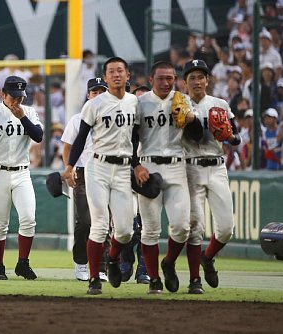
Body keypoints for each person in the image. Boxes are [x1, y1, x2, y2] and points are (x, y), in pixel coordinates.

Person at [62, 57, 138, 295]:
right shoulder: (94, 105)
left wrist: (137, 165)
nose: (116, 75)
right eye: (111, 72)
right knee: (99, 224)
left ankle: (113, 259)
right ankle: (94, 278)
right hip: (98, 167)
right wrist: (70, 166)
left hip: (124, 168)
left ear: (128, 76)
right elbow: (81, 137)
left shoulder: (135, 102)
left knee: (126, 230)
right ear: (106, 77)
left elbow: (136, 138)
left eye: (120, 71)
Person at [132, 61, 201, 294]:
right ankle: (153, 279)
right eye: (161, 78)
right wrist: (135, 164)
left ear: (175, 79)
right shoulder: (139, 103)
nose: (166, 82)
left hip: (176, 165)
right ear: (151, 79)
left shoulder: (182, 100)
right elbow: (131, 139)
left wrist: (192, 119)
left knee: (182, 227)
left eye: (170, 78)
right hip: (148, 166)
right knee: (150, 229)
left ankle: (168, 262)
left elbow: (197, 136)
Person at [182, 59, 241, 294]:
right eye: (192, 77)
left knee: (226, 229)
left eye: (201, 77)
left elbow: (236, 136)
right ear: (185, 82)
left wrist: (231, 137)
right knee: (195, 227)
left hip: (217, 167)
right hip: (191, 167)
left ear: (208, 80)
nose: (197, 81)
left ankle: (208, 257)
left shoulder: (220, 103)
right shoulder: (179, 103)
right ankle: (194, 280)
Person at [0, 75, 43, 280]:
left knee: (29, 219)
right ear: (3, 94)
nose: (17, 101)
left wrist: (22, 116)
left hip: (22, 172)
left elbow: (38, 136)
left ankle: (23, 263)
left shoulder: (29, 112)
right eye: (13, 96)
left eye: (20, 96)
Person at [61, 77, 107, 281]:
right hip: (81, 172)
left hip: (105, 171)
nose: (97, 96)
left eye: (101, 92)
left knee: (105, 221)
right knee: (85, 221)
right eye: (94, 92)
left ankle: (102, 267)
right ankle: (81, 263)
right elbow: (67, 147)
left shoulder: (111, 118)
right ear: (88, 95)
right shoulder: (77, 119)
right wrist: (68, 169)